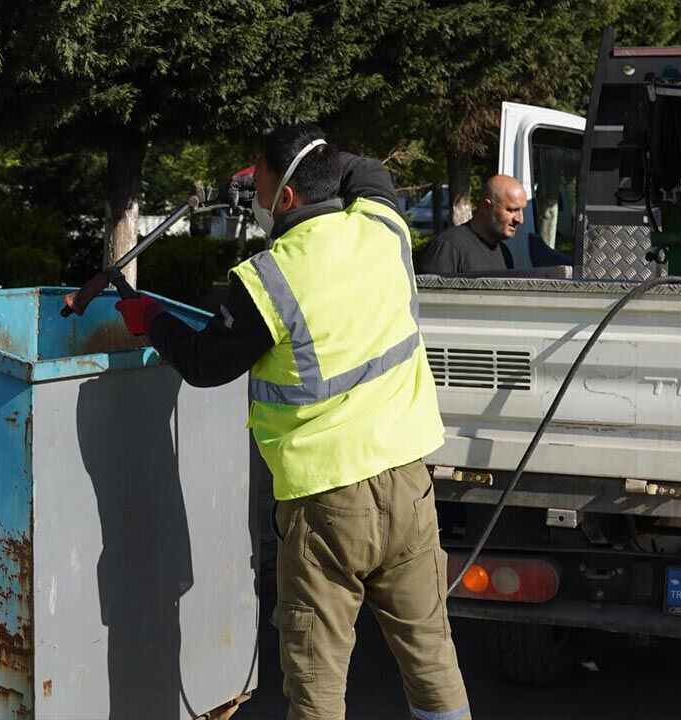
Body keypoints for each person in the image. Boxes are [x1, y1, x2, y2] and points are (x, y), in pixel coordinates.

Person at [114, 124, 470, 720]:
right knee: (431, 659)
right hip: (409, 487)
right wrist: (309, 157)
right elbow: (367, 174)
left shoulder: (269, 280)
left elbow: (204, 364)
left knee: (317, 681)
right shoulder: (384, 230)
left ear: (286, 197)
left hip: (326, 506)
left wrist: (150, 317)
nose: (254, 191)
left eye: (261, 178)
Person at [418, 174, 527, 275]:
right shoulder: (449, 247)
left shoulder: (504, 254)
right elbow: (431, 295)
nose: (520, 219)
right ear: (487, 207)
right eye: (512, 210)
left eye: (522, 210)